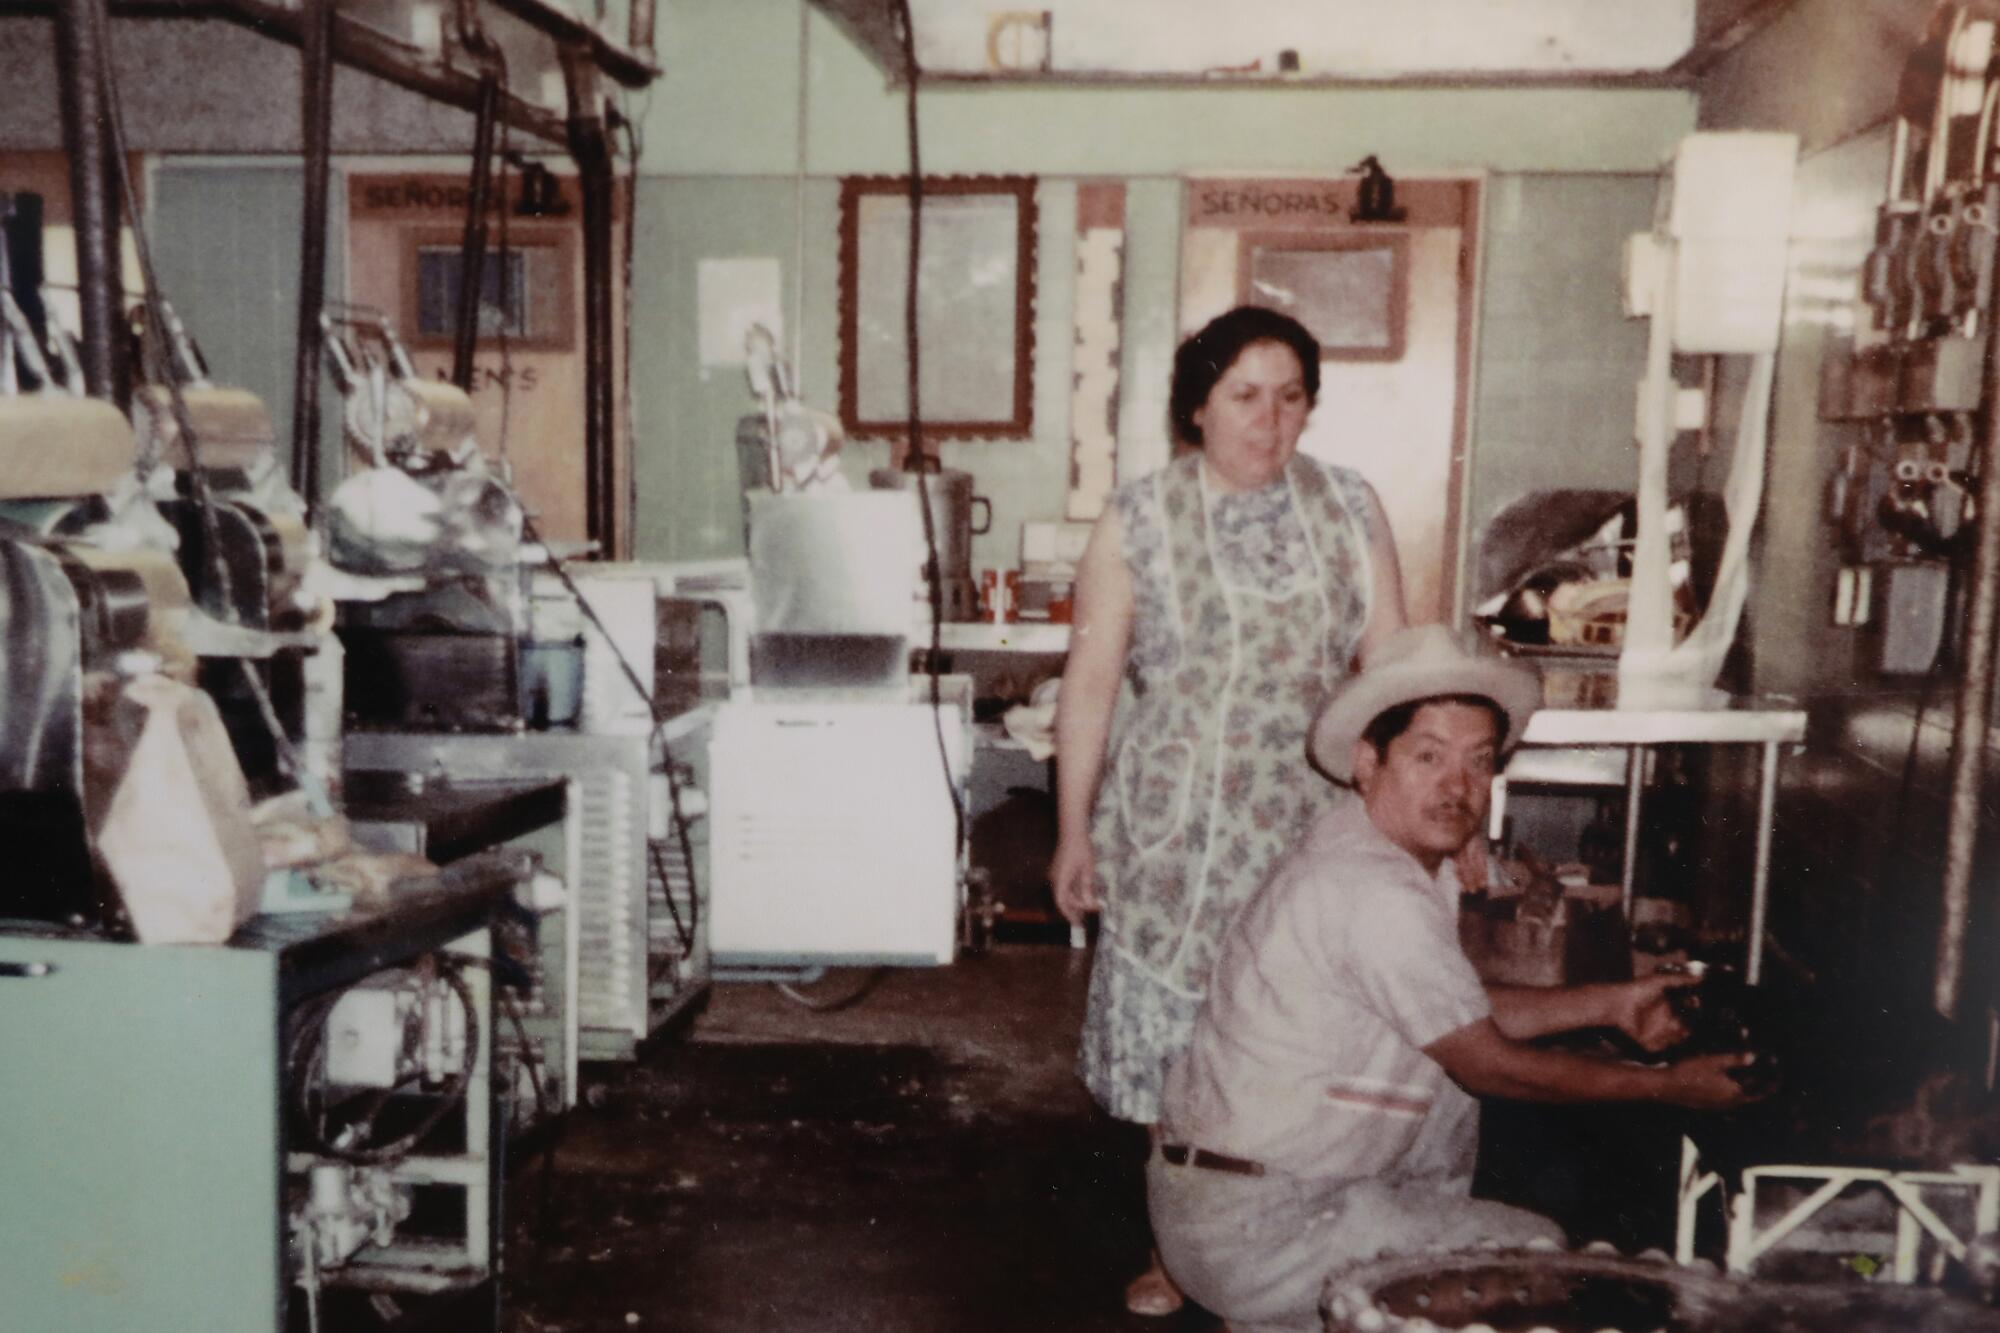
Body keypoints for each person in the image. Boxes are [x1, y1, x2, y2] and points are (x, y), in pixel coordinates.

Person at [1147, 625, 1760, 1333]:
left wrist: (1615, 1004)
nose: (1457, 787)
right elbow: (1491, 1063)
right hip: (1266, 1223)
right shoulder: (1373, 889)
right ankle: (1295, 1313)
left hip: (1238, 1198)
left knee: (1452, 1123)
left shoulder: (1376, 844)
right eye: (1428, 757)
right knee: (1534, 1257)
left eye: (1477, 761)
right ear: (1367, 761)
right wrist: (1667, 1087)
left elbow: (1453, 1008)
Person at [1049, 305, 1408, 1314]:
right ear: (1196, 406)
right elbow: (1089, 682)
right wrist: (1072, 828)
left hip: (1309, 814)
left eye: (1290, 397)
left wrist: (1429, 820)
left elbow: (1387, 668)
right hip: (1173, 823)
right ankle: (1179, 1246)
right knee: (1181, 1041)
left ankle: (1298, 1235)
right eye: (1244, 396)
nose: (1269, 420)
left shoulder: (1348, 506)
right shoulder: (1139, 515)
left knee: (1296, 1030)